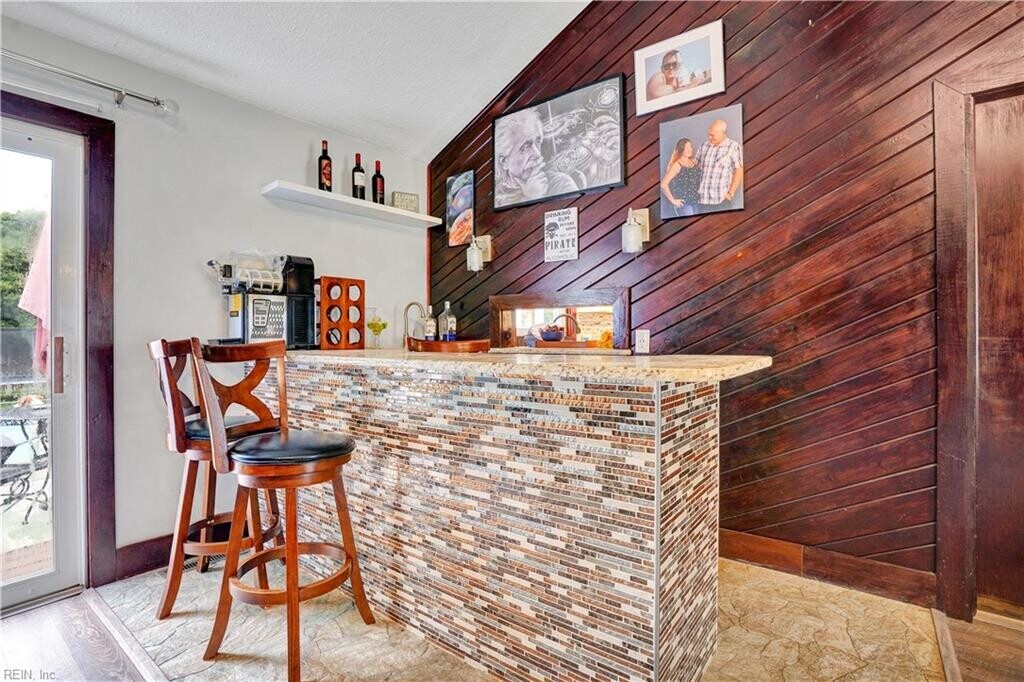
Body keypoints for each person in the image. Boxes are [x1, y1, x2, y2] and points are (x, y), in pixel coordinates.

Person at [494, 108, 578, 207]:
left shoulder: (560, 183)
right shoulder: (496, 197)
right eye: (525, 147)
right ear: (504, 162)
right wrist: (530, 198)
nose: (537, 154)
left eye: (538, 142)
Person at [693, 118, 743, 212]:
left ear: (722, 133)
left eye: (712, 135)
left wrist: (730, 193)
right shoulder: (704, 145)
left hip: (721, 200)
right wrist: (676, 162)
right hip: (702, 200)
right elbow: (694, 165)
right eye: (709, 134)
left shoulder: (733, 146)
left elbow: (739, 171)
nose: (709, 137)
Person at [660, 138, 700, 217]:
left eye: (690, 147)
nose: (690, 150)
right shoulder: (676, 165)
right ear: (681, 149)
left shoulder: (693, 162)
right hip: (684, 204)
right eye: (686, 148)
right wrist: (673, 200)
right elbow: (663, 185)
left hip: (696, 201)